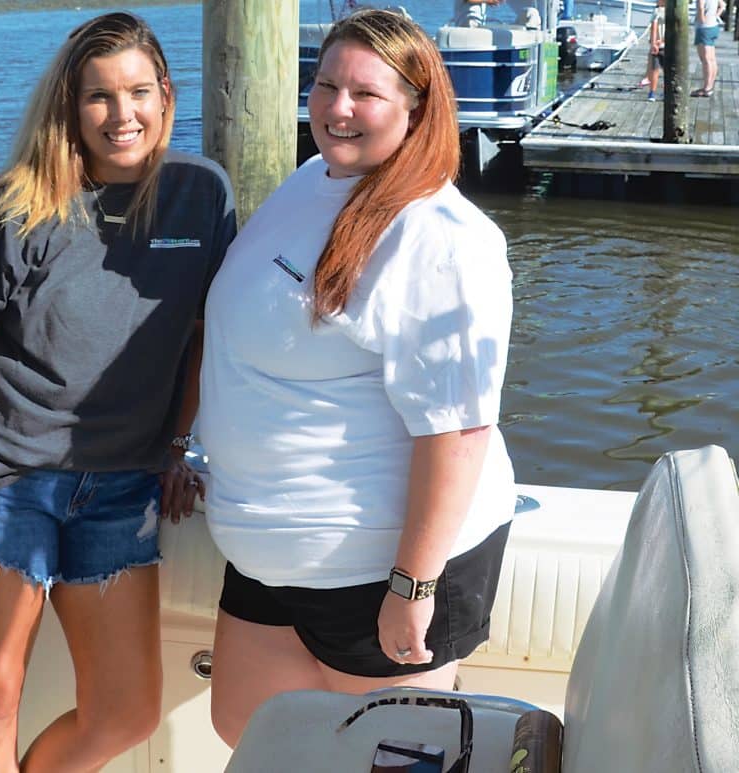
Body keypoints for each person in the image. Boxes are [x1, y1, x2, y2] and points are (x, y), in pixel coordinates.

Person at [0, 12, 235, 772]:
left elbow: (200, 335)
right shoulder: (16, 204)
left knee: (125, 710)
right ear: (69, 105)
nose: (123, 116)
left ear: (166, 95)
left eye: (139, 93)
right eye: (99, 97)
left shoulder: (200, 194)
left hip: (121, 482)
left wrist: (182, 444)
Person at [200, 9, 517, 747]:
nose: (338, 109)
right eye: (325, 85)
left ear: (416, 106)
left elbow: (460, 430)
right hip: (271, 547)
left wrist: (412, 586)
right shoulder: (318, 178)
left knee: (383, 759)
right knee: (250, 732)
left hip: (381, 568)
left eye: (365, 95)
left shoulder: (439, 237)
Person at [691, 0, 724, 97]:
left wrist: (702, 19)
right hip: (713, 26)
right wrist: (716, 16)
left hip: (704, 28)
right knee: (712, 59)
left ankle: (707, 88)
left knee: (706, 59)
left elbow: (701, 7)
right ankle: (710, 86)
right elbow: (722, 5)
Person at [639, 0, 666, 101]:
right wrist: (656, 42)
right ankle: (656, 92)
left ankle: (653, 93)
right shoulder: (659, 11)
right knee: (660, 71)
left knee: (655, 70)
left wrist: (654, 43)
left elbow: (654, 29)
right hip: (662, 45)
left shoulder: (658, 11)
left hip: (660, 45)